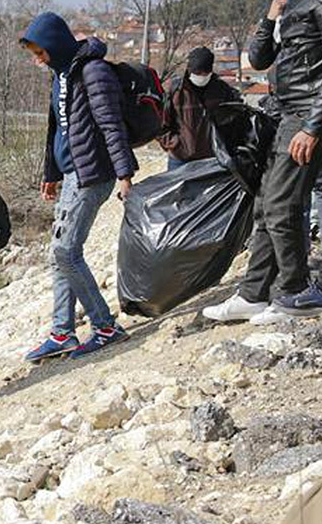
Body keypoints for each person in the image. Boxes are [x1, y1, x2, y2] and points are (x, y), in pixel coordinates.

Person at [19, 12, 137, 363]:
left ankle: (105, 327)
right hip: (70, 175)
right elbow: (57, 129)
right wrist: (50, 172)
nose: (38, 61)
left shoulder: (93, 72)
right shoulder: (60, 76)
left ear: (55, 45)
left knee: (65, 252)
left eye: (41, 53)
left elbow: (112, 125)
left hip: (93, 176)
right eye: (35, 55)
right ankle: (62, 333)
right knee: (60, 253)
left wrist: (125, 174)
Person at [204, 0, 322, 324]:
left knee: (282, 205)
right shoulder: (287, 8)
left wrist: (313, 126)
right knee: (265, 204)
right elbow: (258, 59)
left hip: (306, 116)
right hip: (284, 115)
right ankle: (253, 294)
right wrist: (272, 14)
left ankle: (297, 291)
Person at [158, 47, 242, 171]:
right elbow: (160, 123)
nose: (201, 77)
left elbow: (232, 121)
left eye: (205, 73)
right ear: (190, 70)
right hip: (179, 158)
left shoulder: (222, 90)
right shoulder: (175, 90)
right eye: (198, 73)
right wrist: (174, 143)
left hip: (212, 159)